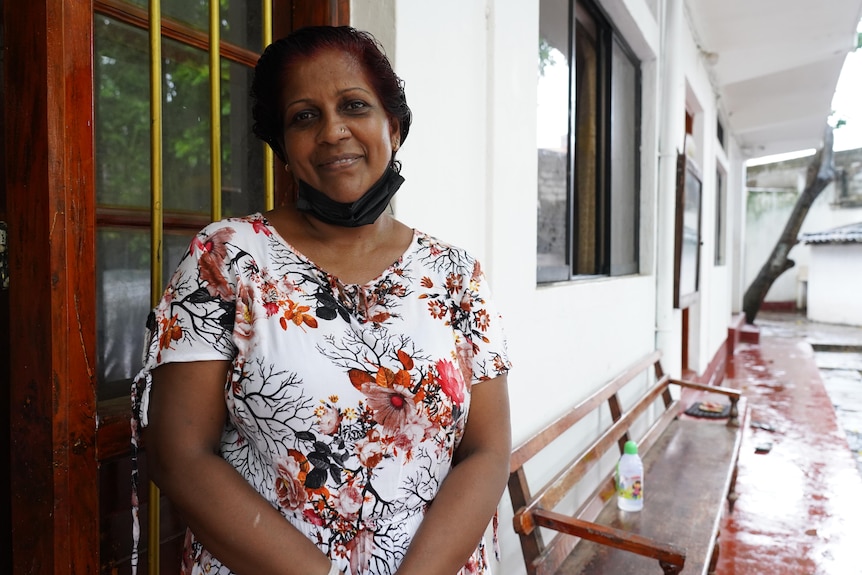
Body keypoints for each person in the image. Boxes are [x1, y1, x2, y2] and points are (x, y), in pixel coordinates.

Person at [132, 25, 512, 575]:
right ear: (283, 146)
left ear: (394, 127)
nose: (333, 132)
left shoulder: (455, 275)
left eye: (354, 105)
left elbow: (487, 450)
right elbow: (178, 454)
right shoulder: (226, 259)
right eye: (303, 116)